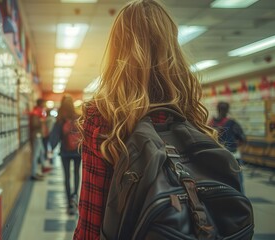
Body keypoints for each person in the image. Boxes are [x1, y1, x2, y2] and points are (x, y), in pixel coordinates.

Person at [73, 0, 217, 239]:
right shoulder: (189, 109)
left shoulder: (103, 114)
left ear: (118, 47)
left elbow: (91, 215)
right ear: (171, 45)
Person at [48, 95, 82, 215]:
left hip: (65, 152)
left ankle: (69, 203)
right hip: (78, 151)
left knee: (67, 176)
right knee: (77, 174)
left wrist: (50, 149)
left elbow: (55, 136)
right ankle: (74, 197)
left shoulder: (61, 119)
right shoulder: (78, 117)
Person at [209, 101, 246, 192]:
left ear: (217, 109)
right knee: (238, 181)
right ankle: (241, 201)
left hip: (215, 156)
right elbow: (242, 138)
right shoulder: (232, 123)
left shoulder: (211, 123)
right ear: (228, 110)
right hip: (232, 156)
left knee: (218, 181)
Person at [29, 98, 49, 180]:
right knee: (36, 154)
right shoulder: (36, 112)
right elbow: (35, 124)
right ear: (40, 103)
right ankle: (34, 174)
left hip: (39, 135)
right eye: (44, 103)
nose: (44, 105)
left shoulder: (39, 111)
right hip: (36, 135)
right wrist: (42, 121)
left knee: (41, 152)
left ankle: (41, 168)